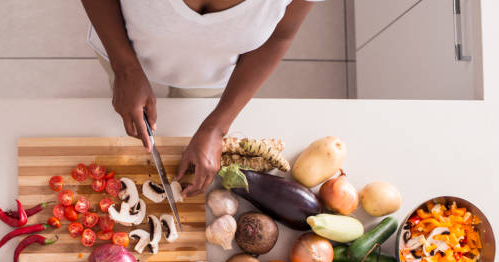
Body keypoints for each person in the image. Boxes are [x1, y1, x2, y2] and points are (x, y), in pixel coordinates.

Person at [82, 0, 322, 197]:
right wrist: (125, 68)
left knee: (184, 113)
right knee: (123, 112)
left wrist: (216, 127)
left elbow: (280, 35)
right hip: (124, 53)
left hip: (210, 77)